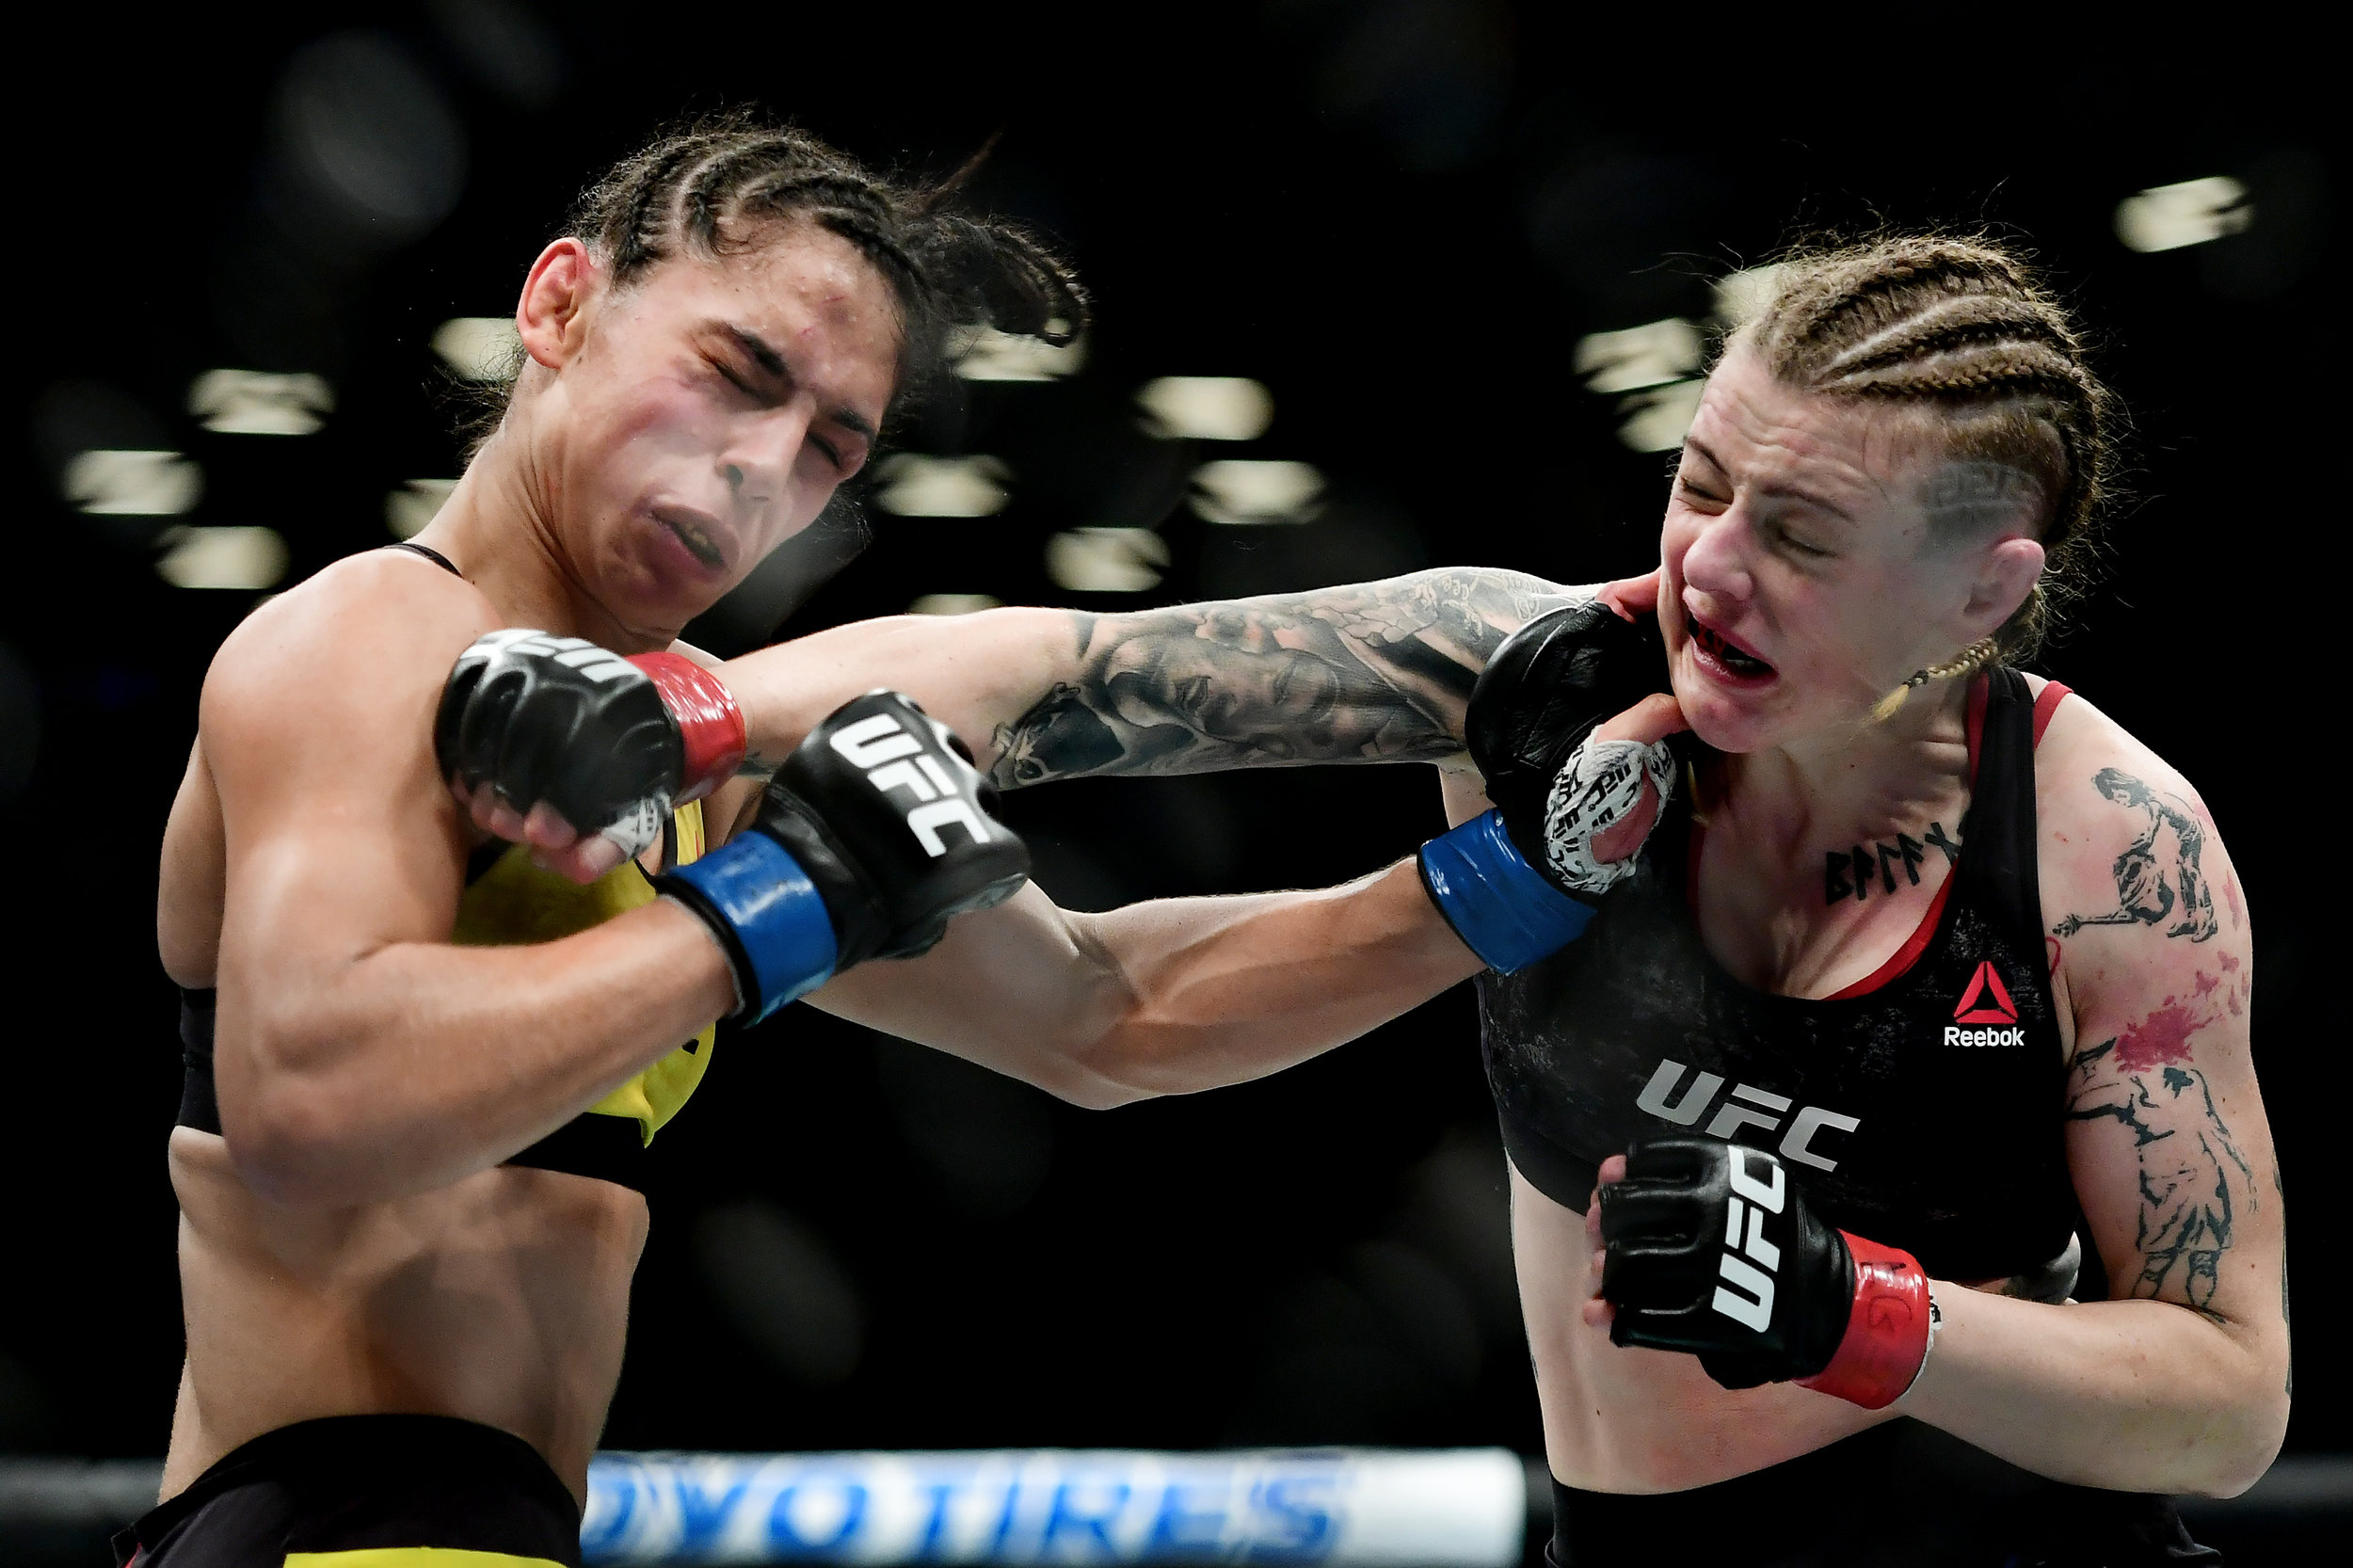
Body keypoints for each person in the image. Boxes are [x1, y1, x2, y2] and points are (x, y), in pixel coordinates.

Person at [613, 234, 2285, 1564]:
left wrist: (1853, 1305)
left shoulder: (2110, 851)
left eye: (1803, 532)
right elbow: (1065, 669)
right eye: (1703, 482)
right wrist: (669, 709)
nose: (1709, 566)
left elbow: (2224, 1399)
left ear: (1979, 585)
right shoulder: (1530, 671)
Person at [137, 117, 1521, 1567]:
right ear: (558, 308)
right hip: (319, 1523)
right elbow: (307, 1103)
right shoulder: (368, 638)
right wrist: (755, 914)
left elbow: (1110, 1016)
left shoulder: (701, 767)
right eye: (738, 378)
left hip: (490, 1527)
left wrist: (1487, 893)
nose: (761, 472)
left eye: (827, 451)